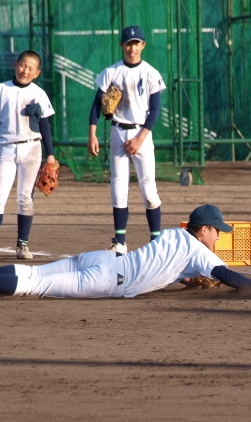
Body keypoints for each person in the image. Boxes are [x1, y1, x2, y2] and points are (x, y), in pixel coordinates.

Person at [0, 204, 251, 299]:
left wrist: (183, 280)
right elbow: (227, 275)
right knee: (34, 286)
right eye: (217, 231)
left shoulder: (175, 234)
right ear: (204, 230)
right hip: (109, 279)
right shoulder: (200, 252)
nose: (219, 236)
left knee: (34, 273)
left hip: (104, 258)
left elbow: (165, 265)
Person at [0, 50, 56, 261]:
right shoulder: (2, 89)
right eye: (22, 65)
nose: (25, 71)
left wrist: (51, 155)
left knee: (25, 198)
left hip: (32, 149)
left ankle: (22, 245)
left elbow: (45, 125)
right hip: (6, 149)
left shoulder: (39, 93)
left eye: (30, 68)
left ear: (37, 73)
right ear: (15, 64)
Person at [87, 26, 166, 254]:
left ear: (143, 45)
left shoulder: (150, 73)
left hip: (142, 133)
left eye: (136, 44)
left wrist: (140, 139)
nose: (132, 48)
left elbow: (155, 111)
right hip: (118, 131)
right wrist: (92, 134)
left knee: (148, 189)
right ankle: (120, 241)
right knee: (118, 186)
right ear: (122, 45)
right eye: (128, 44)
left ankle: (155, 241)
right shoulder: (111, 72)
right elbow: (96, 105)